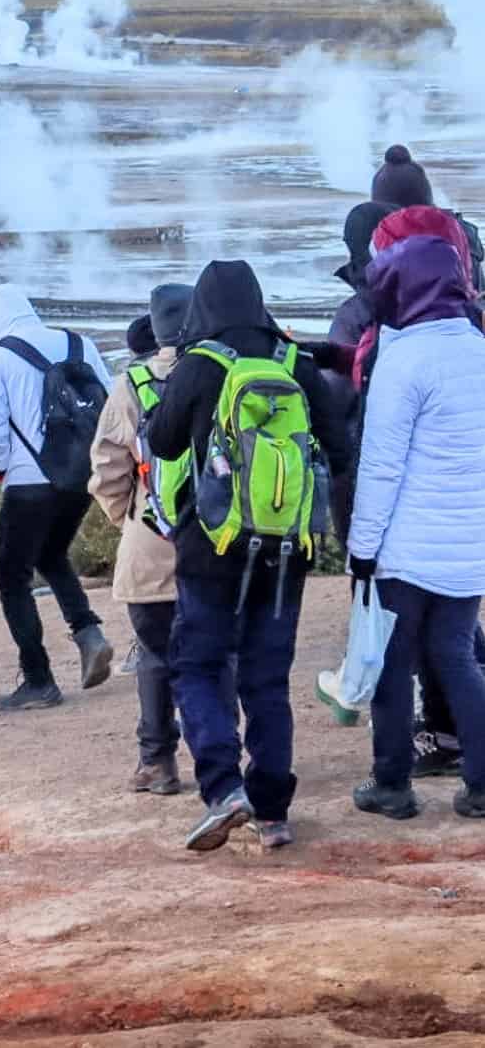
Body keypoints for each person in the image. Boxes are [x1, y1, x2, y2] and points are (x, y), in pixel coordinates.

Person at [147, 260, 349, 852]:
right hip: (287, 552)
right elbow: (338, 453)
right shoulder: (298, 365)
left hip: (212, 546)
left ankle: (221, 787)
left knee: (197, 664)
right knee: (266, 678)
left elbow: (160, 441)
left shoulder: (200, 365)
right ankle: (273, 811)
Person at [346, 236, 485, 822]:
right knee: (456, 657)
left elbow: (381, 466)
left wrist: (361, 549)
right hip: (469, 544)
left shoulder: (403, 361)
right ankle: (480, 786)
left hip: (406, 547)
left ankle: (393, 783)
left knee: (391, 663)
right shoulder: (479, 348)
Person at [0, 283, 115, 710]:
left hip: (28, 482)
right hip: (80, 477)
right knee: (51, 556)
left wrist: (1, 470)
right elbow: (109, 406)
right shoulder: (79, 344)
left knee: (12, 579)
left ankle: (38, 679)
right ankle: (89, 633)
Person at [89, 284, 194, 796]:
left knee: (155, 655)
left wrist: (129, 519)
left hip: (150, 544)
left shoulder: (132, 384)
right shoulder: (227, 372)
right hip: (219, 546)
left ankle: (158, 763)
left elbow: (107, 467)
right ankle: (219, 756)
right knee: (215, 656)